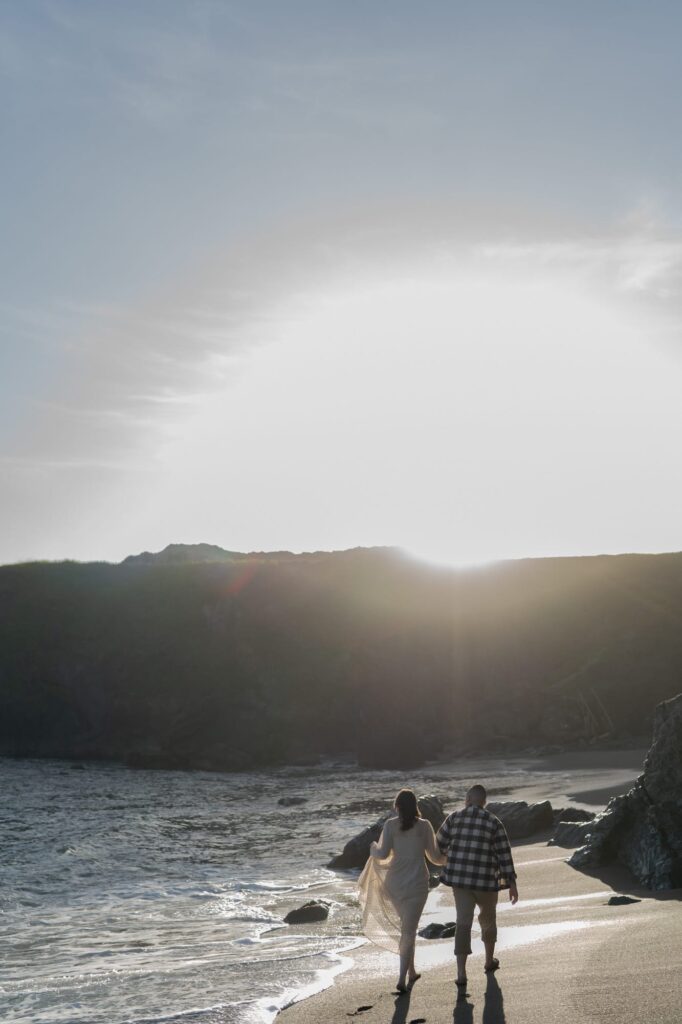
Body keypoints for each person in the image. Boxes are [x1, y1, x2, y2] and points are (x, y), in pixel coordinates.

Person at [358, 789, 446, 993]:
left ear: (397, 806)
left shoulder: (390, 825)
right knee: (409, 930)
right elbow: (434, 856)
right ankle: (401, 978)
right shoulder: (424, 826)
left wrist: (372, 846)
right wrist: (449, 858)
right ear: (416, 806)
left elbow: (381, 854)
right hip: (416, 883)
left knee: (407, 930)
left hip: (394, 883)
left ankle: (412, 971)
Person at [436, 784, 518, 990]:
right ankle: (489, 961)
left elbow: (438, 844)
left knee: (462, 923)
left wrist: (450, 859)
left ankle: (461, 973)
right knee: (488, 920)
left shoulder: (454, 818)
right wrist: (512, 884)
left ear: (468, 799)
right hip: (485, 882)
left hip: (460, 882)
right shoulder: (494, 822)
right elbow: (504, 854)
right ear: (484, 801)